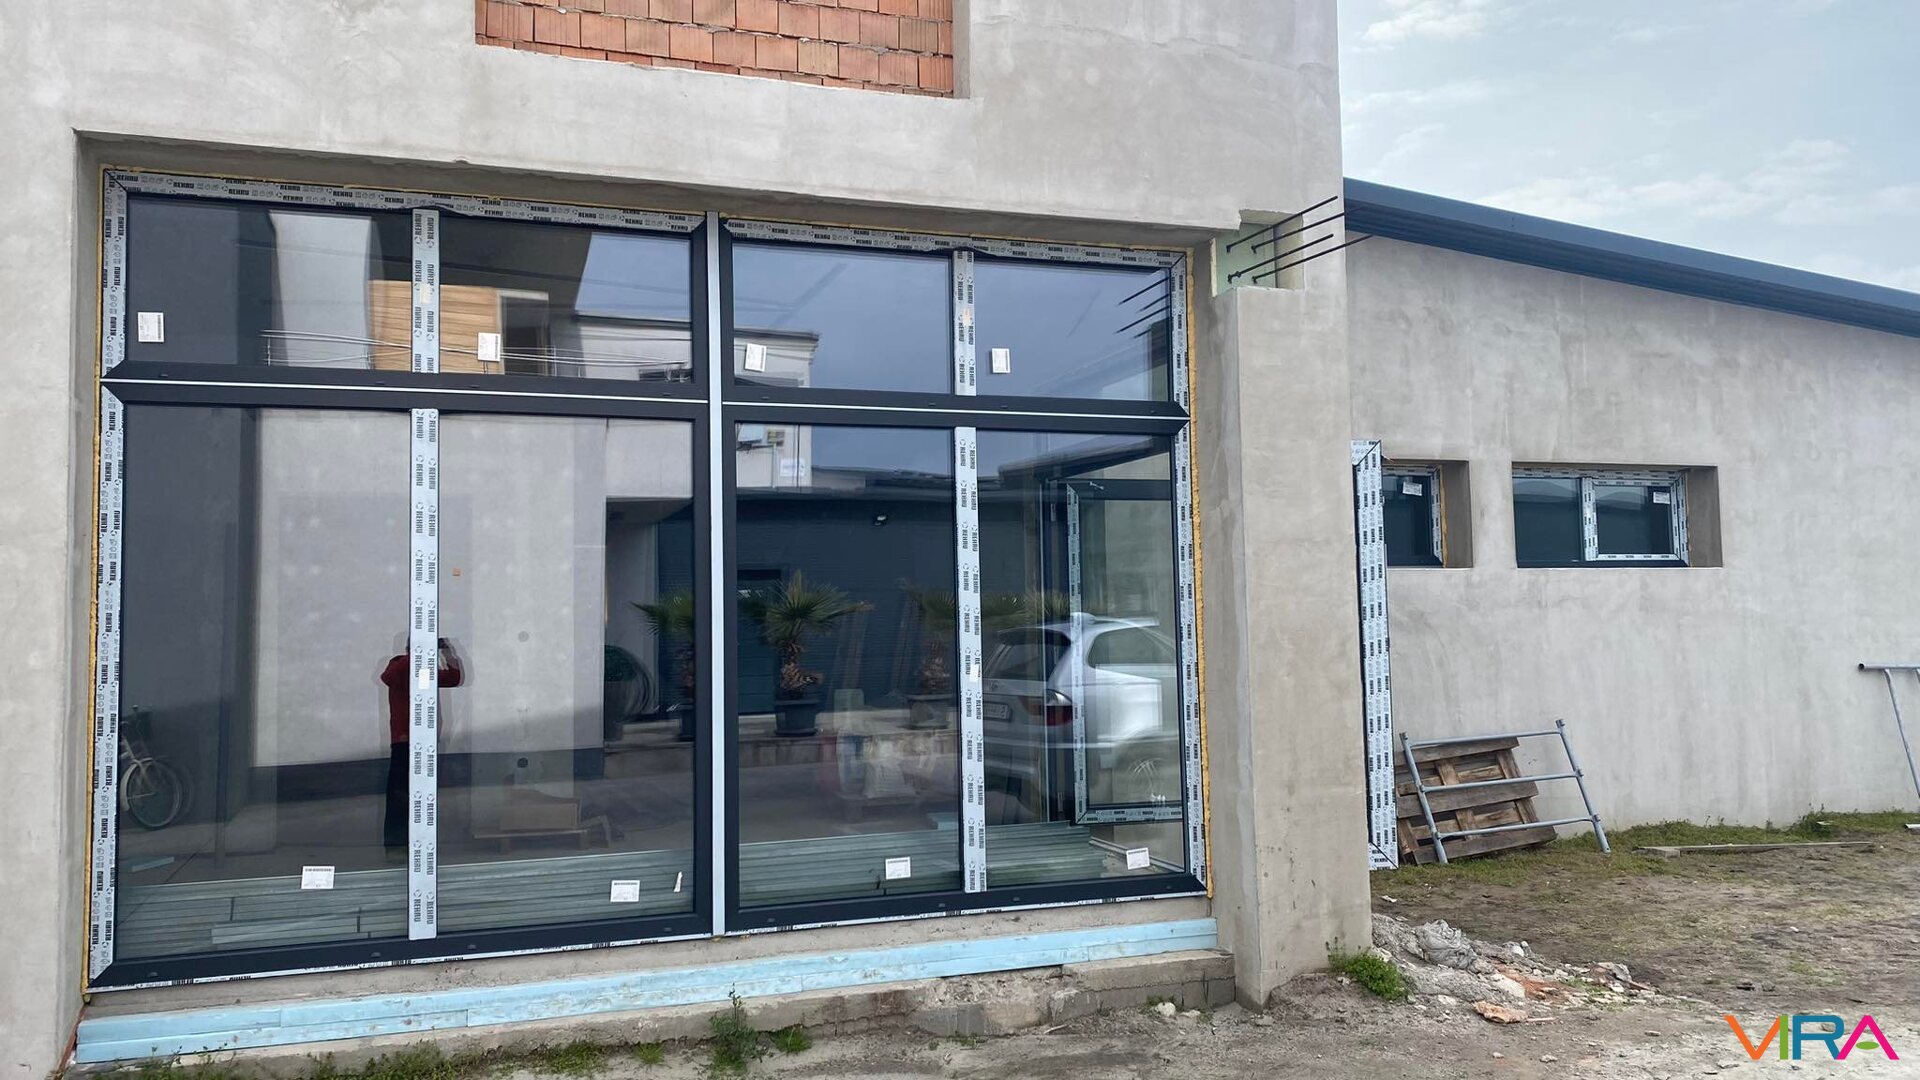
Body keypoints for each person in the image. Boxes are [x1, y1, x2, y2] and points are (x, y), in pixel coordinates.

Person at [381, 637, 465, 855]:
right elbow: (387, 677)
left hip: (425, 740)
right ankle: (397, 844)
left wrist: (447, 653)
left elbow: (454, 678)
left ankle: (422, 841)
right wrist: (417, 654)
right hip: (404, 740)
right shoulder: (399, 664)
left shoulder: (425, 672)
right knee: (399, 792)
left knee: (424, 793)